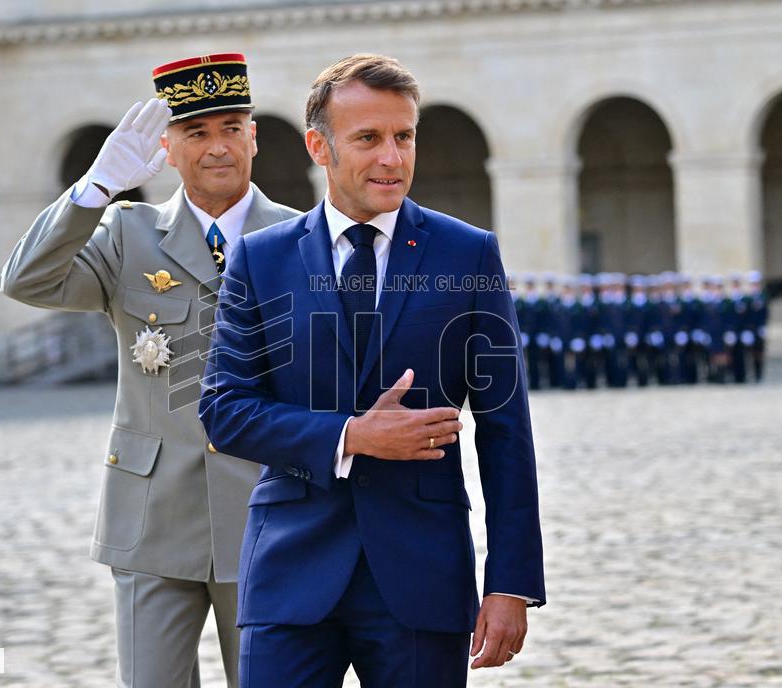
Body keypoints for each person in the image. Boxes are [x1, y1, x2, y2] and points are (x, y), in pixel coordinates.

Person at [199, 54, 545, 688]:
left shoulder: (468, 253)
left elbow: (506, 430)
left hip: (423, 579)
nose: (393, 157)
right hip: (290, 575)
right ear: (319, 147)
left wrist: (511, 584)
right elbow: (224, 410)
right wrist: (351, 436)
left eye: (404, 136)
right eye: (369, 138)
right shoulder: (260, 259)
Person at [0, 53, 298, 688]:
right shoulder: (126, 235)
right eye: (196, 132)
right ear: (167, 146)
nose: (216, 147)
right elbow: (28, 279)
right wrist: (95, 190)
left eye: (230, 128)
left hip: (270, 513)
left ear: (254, 135)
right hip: (153, 517)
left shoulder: (302, 240)